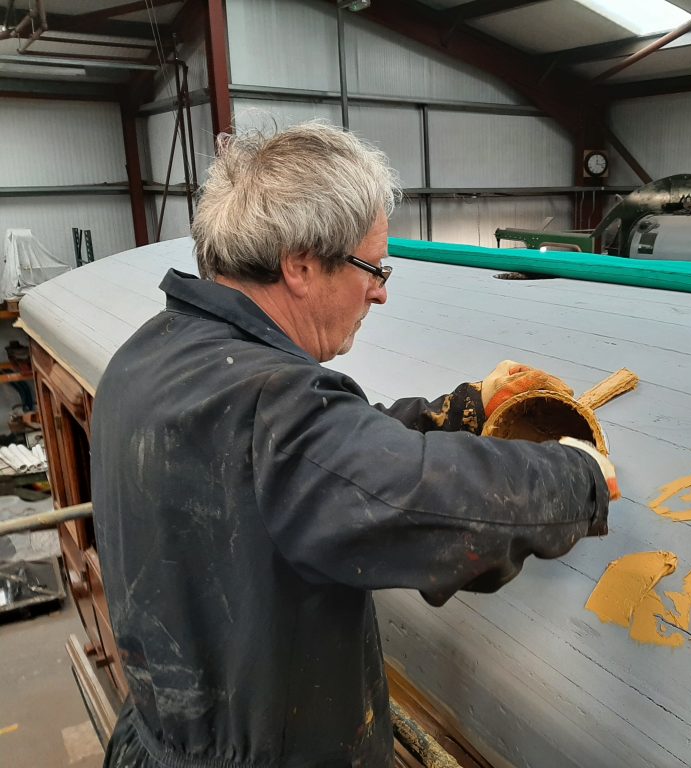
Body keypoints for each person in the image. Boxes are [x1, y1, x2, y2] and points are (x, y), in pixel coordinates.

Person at [91, 122, 618, 768]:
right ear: (301, 265)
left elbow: (316, 458)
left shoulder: (151, 353)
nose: (381, 289)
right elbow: (421, 503)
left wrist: (460, 409)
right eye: (374, 265)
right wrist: (578, 476)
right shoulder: (272, 407)